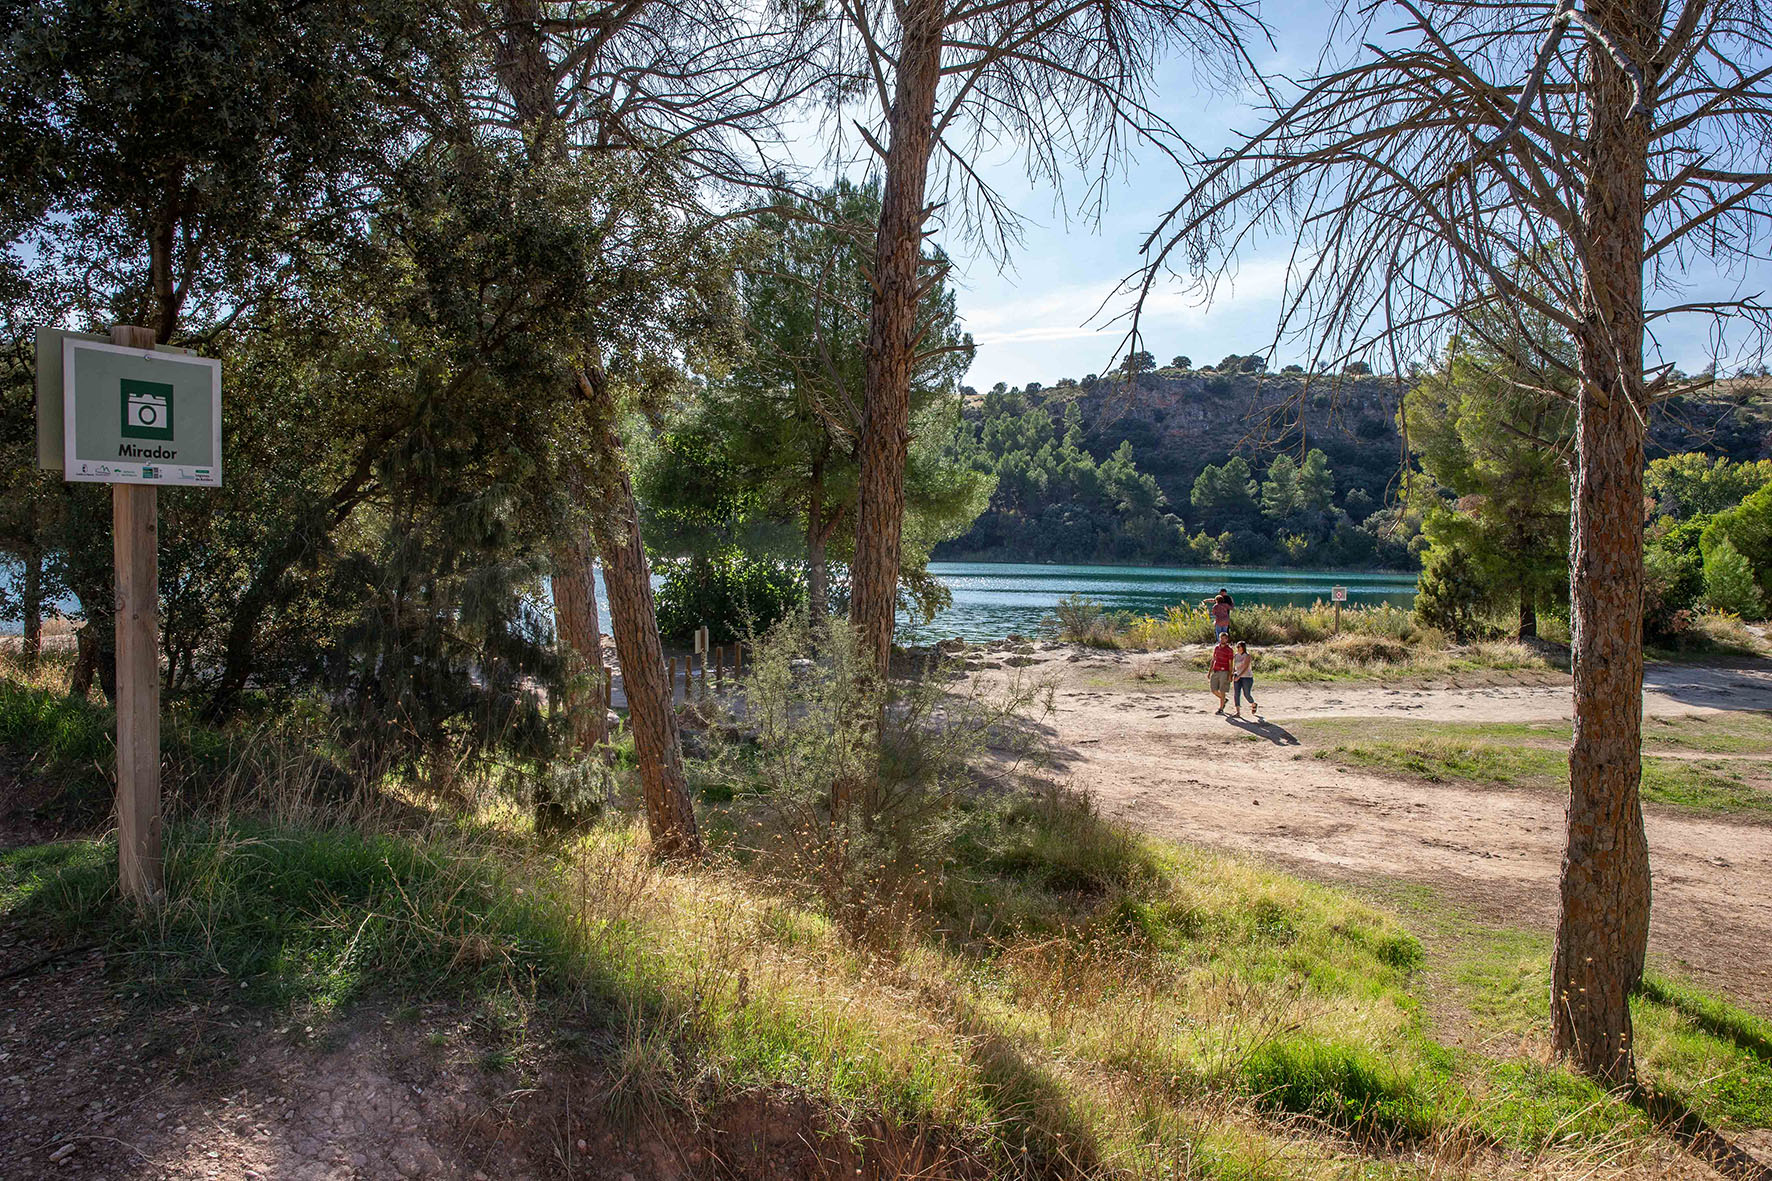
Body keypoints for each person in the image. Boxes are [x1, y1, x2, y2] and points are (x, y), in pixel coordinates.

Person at [1208, 634, 1235, 714]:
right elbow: (1213, 660)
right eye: (1221, 638)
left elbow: (1231, 663)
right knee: (1213, 690)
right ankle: (1224, 700)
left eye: (1224, 638)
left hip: (1224, 671)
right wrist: (1209, 672)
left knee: (1222, 690)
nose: (1223, 640)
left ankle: (1221, 708)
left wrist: (1230, 674)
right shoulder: (1217, 648)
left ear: (1227, 639)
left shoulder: (1229, 650)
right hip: (1216, 670)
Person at [1231, 641, 1258, 718]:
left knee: (1246, 694)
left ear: (1243, 647)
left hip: (1246, 677)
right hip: (1237, 675)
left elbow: (1246, 667)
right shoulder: (1236, 655)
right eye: (1237, 647)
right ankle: (1238, 712)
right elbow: (1234, 666)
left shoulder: (1247, 655)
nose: (1238, 648)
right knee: (1236, 693)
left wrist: (1239, 676)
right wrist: (1232, 674)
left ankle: (1253, 704)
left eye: (1239, 646)